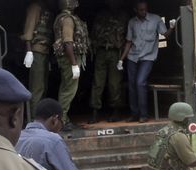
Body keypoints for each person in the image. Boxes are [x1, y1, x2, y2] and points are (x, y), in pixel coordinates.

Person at [119, 1, 176, 123]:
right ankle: (134, 114)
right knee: (132, 85)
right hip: (132, 57)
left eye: (145, 9)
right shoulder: (132, 22)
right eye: (140, 10)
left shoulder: (155, 20)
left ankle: (143, 115)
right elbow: (128, 42)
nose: (143, 12)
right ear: (135, 10)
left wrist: (171, 27)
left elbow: (165, 35)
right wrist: (121, 59)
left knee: (140, 83)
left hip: (148, 57)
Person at [16, 98, 81, 170]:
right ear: (54, 120)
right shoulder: (53, 141)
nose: (60, 128)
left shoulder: (17, 137)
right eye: (61, 123)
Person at [89, 0, 128, 123]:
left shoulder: (124, 16)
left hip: (116, 52)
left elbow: (129, 36)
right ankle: (94, 111)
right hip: (101, 51)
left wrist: (123, 56)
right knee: (98, 83)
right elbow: (94, 33)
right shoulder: (101, 15)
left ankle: (116, 110)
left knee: (115, 83)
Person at [53, 0, 89, 131]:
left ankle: (62, 118)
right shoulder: (67, 19)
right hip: (70, 59)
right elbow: (68, 43)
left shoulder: (63, 18)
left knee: (65, 88)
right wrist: (74, 64)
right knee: (69, 90)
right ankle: (60, 120)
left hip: (67, 59)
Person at [21, 0, 55, 113]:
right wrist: (29, 52)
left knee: (43, 87)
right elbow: (29, 30)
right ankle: (35, 119)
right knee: (37, 88)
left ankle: (40, 116)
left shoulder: (46, 9)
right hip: (36, 52)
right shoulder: (35, 7)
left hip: (44, 52)